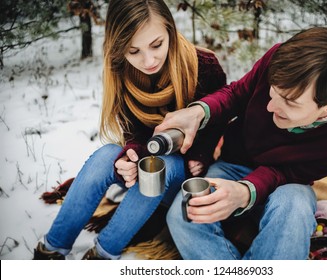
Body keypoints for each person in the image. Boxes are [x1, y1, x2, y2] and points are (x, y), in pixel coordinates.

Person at [155, 27, 327, 259]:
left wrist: (246, 191)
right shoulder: (279, 60)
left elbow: (288, 172)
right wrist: (200, 111)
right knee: (183, 214)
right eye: (273, 92)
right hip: (232, 164)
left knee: (295, 207)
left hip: (287, 185)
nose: (270, 107)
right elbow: (237, 94)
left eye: (289, 101)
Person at [33, 0, 226, 260]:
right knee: (106, 156)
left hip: (186, 177)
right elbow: (132, 131)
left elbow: (219, 121)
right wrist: (131, 155)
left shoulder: (203, 65)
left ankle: (104, 252)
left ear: (170, 30)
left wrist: (200, 156)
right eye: (133, 51)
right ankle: (52, 248)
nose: (148, 60)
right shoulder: (122, 71)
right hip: (148, 164)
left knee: (161, 165)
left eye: (156, 45)